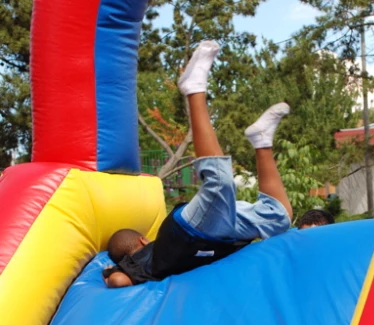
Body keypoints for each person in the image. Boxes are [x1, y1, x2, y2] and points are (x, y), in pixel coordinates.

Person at [103, 40, 293, 287]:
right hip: (220, 236)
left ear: (141, 243)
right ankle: (261, 140)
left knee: (220, 184)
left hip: (190, 233)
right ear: (142, 239)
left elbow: (119, 280)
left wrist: (108, 274)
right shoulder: (143, 258)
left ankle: (194, 89)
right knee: (279, 217)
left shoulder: (144, 259)